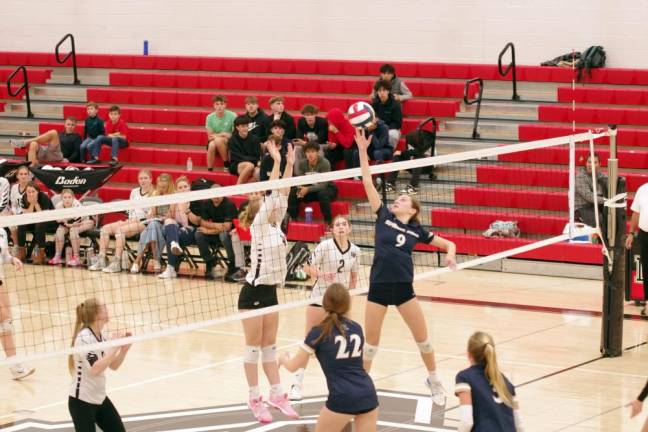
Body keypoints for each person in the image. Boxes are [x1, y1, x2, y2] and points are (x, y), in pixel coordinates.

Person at [356, 128, 456, 405]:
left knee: (423, 340)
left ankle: (434, 379)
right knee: (371, 345)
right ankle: (362, 389)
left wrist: (451, 253)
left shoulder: (417, 231)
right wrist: (363, 151)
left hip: (403, 289)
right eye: (397, 198)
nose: (397, 199)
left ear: (411, 210)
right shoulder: (383, 216)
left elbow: (448, 244)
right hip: (378, 286)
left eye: (402, 199)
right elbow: (366, 181)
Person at [237, 142, 298, 423]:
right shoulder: (259, 225)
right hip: (253, 292)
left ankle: (276, 394)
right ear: (258, 209)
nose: (274, 204)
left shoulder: (275, 224)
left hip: (271, 291)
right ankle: (254, 398)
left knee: (269, 347)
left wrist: (288, 163)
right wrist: (274, 162)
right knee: (253, 347)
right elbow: (274, 190)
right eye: (266, 202)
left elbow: (283, 190)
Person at [279, 283, 378, 432]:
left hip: (342, 396)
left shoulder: (318, 333)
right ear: (348, 304)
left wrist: (283, 358)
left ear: (324, 304)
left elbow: (294, 366)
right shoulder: (357, 328)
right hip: (368, 393)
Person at [289, 216, 359, 401]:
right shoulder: (324, 246)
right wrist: (321, 274)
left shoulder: (355, 251)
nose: (341, 227)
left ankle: (345, 385)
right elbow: (306, 267)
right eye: (337, 225)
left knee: (344, 342)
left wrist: (348, 297)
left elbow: (353, 278)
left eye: (344, 224)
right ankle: (297, 384)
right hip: (320, 298)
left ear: (349, 228)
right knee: (308, 343)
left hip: (341, 303)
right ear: (332, 230)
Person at [68, 298, 131, 432]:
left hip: (99, 398)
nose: (108, 310)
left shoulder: (101, 336)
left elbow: (113, 365)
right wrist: (114, 346)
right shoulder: (84, 338)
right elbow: (95, 369)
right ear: (97, 314)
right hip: (82, 402)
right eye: (105, 308)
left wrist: (123, 350)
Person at [455, 332, 525, 432]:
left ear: (469, 354)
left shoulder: (465, 377)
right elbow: (520, 425)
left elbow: (466, 422)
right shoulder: (506, 383)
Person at [89, 169, 153, 272]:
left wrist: (134, 221)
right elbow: (131, 209)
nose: (143, 180)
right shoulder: (134, 192)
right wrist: (129, 221)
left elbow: (150, 215)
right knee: (105, 229)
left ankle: (116, 263)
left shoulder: (154, 193)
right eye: (141, 178)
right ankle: (101, 260)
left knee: (120, 231)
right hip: (131, 220)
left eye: (146, 178)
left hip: (144, 223)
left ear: (151, 179)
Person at [0, 228, 34, 380]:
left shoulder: (2, 230)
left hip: (0, 280)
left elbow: (4, 255)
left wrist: (13, 260)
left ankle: (15, 365)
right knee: (4, 321)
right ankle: (16, 367)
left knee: (6, 322)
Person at [130, 173, 176, 274]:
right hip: (156, 223)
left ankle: (137, 261)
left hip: (169, 225)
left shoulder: (173, 195)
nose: (162, 189)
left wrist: (159, 218)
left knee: (151, 227)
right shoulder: (156, 194)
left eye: (164, 187)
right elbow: (153, 213)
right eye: (160, 186)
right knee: (153, 225)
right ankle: (156, 260)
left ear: (169, 185)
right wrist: (154, 216)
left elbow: (170, 215)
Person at [195, 184, 241, 281]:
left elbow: (226, 227)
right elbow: (202, 222)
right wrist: (216, 226)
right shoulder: (207, 203)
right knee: (198, 234)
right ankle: (210, 262)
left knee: (223, 235)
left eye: (218, 194)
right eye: (213, 194)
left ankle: (233, 265)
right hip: (216, 233)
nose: (216, 196)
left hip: (229, 235)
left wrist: (208, 230)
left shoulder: (229, 205)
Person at [287, 141, 338, 227]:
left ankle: (328, 221)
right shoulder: (303, 164)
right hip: (310, 190)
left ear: (317, 152)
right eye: (308, 152)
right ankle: (294, 218)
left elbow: (323, 184)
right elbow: (301, 180)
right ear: (305, 153)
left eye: (313, 151)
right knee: (293, 192)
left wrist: (307, 189)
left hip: (327, 188)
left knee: (323, 193)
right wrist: (301, 188)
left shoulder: (325, 163)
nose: (310, 154)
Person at [158, 176, 195, 279]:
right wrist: (173, 204)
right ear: (176, 190)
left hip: (191, 230)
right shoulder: (175, 200)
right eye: (180, 188)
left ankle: (171, 269)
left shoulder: (194, 200)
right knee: (169, 222)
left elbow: (196, 221)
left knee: (171, 235)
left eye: (185, 186)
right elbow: (168, 218)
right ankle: (174, 244)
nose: (183, 189)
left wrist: (186, 209)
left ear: (189, 187)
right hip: (176, 229)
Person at [49, 189, 95, 266]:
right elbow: (58, 221)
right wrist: (66, 223)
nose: (67, 199)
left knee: (73, 230)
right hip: (69, 224)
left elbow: (76, 222)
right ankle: (57, 256)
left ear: (73, 198)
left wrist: (67, 223)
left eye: (69, 197)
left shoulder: (77, 205)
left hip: (86, 222)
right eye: (65, 197)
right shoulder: (58, 206)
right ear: (61, 198)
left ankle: (77, 258)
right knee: (59, 231)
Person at [10, 117, 82, 166]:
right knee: (33, 144)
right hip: (47, 152)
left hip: (58, 156)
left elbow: (77, 152)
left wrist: (68, 159)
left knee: (53, 132)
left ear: (75, 126)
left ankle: (24, 142)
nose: (70, 126)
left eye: (72, 125)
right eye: (68, 124)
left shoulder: (77, 137)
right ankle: (30, 173)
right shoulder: (60, 134)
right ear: (65, 125)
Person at [17, 182, 56, 264]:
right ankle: (22, 253)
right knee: (21, 224)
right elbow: (27, 216)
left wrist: (36, 203)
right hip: (34, 221)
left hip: (49, 222)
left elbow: (42, 216)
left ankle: (41, 254)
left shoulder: (44, 197)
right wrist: (31, 203)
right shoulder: (24, 197)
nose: (31, 194)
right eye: (28, 192)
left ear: (38, 191)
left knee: (39, 225)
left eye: (33, 191)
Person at [626, 181, 648, 315]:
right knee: (646, 269)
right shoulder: (643, 189)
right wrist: (631, 233)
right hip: (645, 234)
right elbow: (636, 213)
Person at [575, 153, 607, 230]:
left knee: (613, 215)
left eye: (594, 162)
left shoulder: (601, 176)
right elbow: (589, 197)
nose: (590, 165)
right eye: (589, 162)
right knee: (600, 220)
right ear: (586, 163)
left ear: (600, 164)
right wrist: (606, 200)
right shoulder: (580, 176)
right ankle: (600, 241)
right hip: (581, 208)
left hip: (595, 206)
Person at [294, 104, 328, 174]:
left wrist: (305, 143)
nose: (310, 117)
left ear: (315, 114)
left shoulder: (322, 122)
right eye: (307, 115)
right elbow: (299, 137)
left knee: (319, 148)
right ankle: (298, 174)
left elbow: (320, 140)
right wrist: (302, 143)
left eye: (312, 114)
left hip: (322, 144)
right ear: (303, 115)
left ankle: (318, 172)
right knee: (297, 148)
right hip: (307, 144)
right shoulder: (301, 121)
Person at [206, 95, 237, 171]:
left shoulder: (233, 115)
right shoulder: (209, 117)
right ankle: (210, 169)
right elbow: (210, 137)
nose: (219, 106)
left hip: (228, 140)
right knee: (212, 145)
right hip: (217, 140)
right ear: (214, 105)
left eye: (221, 104)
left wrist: (222, 135)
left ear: (225, 105)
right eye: (217, 104)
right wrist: (222, 134)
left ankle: (226, 164)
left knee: (217, 140)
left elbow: (234, 135)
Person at [228, 116, 262, 185]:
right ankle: (238, 186)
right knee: (250, 166)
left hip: (253, 163)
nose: (245, 128)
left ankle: (246, 189)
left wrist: (253, 161)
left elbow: (257, 156)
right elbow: (236, 157)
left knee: (257, 172)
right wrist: (252, 161)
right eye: (243, 126)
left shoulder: (255, 139)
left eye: (247, 126)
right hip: (237, 164)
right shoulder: (232, 140)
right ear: (237, 127)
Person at [372, 79, 403, 150]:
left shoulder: (395, 104)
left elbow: (398, 124)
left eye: (384, 90)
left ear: (388, 91)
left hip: (391, 129)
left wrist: (384, 128)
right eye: (379, 91)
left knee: (392, 135)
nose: (381, 93)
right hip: (378, 127)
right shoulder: (374, 103)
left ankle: (390, 151)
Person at [8, 165, 31, 249]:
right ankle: (16, 246)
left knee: (19, 223)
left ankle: (20, 247)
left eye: (25, 174)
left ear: (28, 175)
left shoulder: (31, 187)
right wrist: (14, 213)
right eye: (21, 174)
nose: (23, 176)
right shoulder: (14, 188)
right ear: (17, 176)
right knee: (11, 224)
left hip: (29, 214)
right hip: (17, 214)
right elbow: (13, 205)